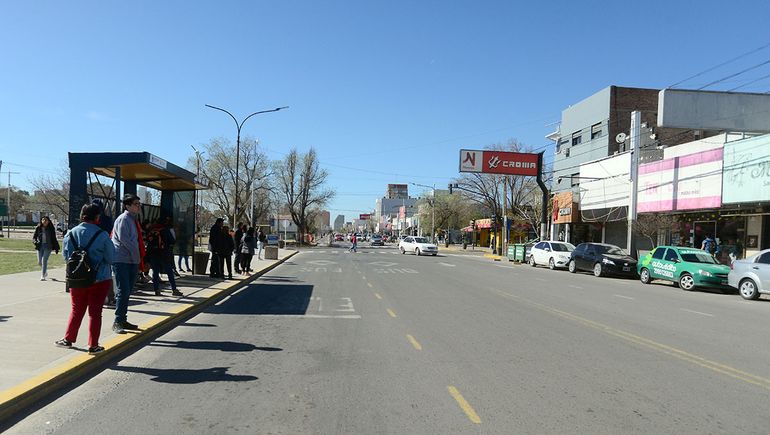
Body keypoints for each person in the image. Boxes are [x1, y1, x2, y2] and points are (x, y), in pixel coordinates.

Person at [55, 203, 115, 354]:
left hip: (77, 279)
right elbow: (110, 258)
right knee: (95, 313)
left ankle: (68, 339)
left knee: (76, 310)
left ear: (82, 216)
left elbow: (66, 256)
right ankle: (93, 345)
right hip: (100, 279)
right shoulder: (102, 235)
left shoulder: (71, 234)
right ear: (97, 217)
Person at [111, 194, 144, 334]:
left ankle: (123, 318)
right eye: (136, 204)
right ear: (127, 205)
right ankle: (118, 321)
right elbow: (126, 241)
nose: (138, 206)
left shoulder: (132, 220)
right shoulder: (123, 219)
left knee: (127, 291)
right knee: (122, 290)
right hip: (122, 260)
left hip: (131, 260)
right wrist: (137, 257)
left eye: (138, 204)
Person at [146, 219, 183, 297]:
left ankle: (156, 290)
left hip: (153, 254)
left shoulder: (151, 230)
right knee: (169, 272)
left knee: (155, 273)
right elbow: (172, 241)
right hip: (163, 254)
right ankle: (174, 289)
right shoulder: (165, 230)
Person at [33, 215, 60, 281]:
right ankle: (45, 271)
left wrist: (56, 248)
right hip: (40, 246)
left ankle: (42, 275)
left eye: (46, 220)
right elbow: (34, 237)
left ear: (48, 221)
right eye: (43, 220)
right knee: (39, 262)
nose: (44, 221)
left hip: (48, 246)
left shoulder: (51, 228)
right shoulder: (38, 228)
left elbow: (54, 238)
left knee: (44, 260)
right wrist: (35, 242)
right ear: (41, 221)